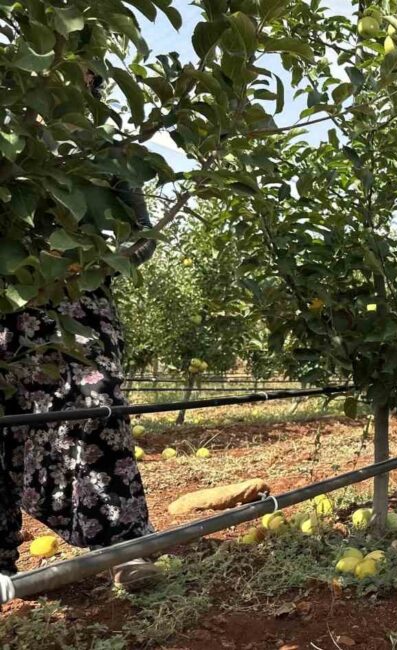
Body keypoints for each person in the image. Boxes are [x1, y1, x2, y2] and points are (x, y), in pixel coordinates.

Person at [0, 71, 161, 589]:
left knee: (99, 404)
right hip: (10, 305)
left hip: (80, 305)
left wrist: (90, 267)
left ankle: (124, 548)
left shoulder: (108, 155)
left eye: (88, 78)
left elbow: (143, 235)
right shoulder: (11, 147)